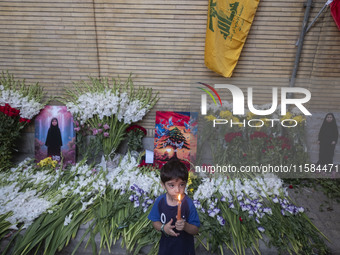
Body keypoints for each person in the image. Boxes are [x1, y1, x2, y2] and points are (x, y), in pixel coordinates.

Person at [148, 159, 200, 255]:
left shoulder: (188, 203)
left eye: (181, 184)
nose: (177, 190)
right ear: (163, 185)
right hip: (166, 249)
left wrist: (185, 226)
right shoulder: (160, 201)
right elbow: (155, 222)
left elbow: (195, 229)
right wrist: (163, 228)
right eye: (171, 185)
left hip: (185, 249)